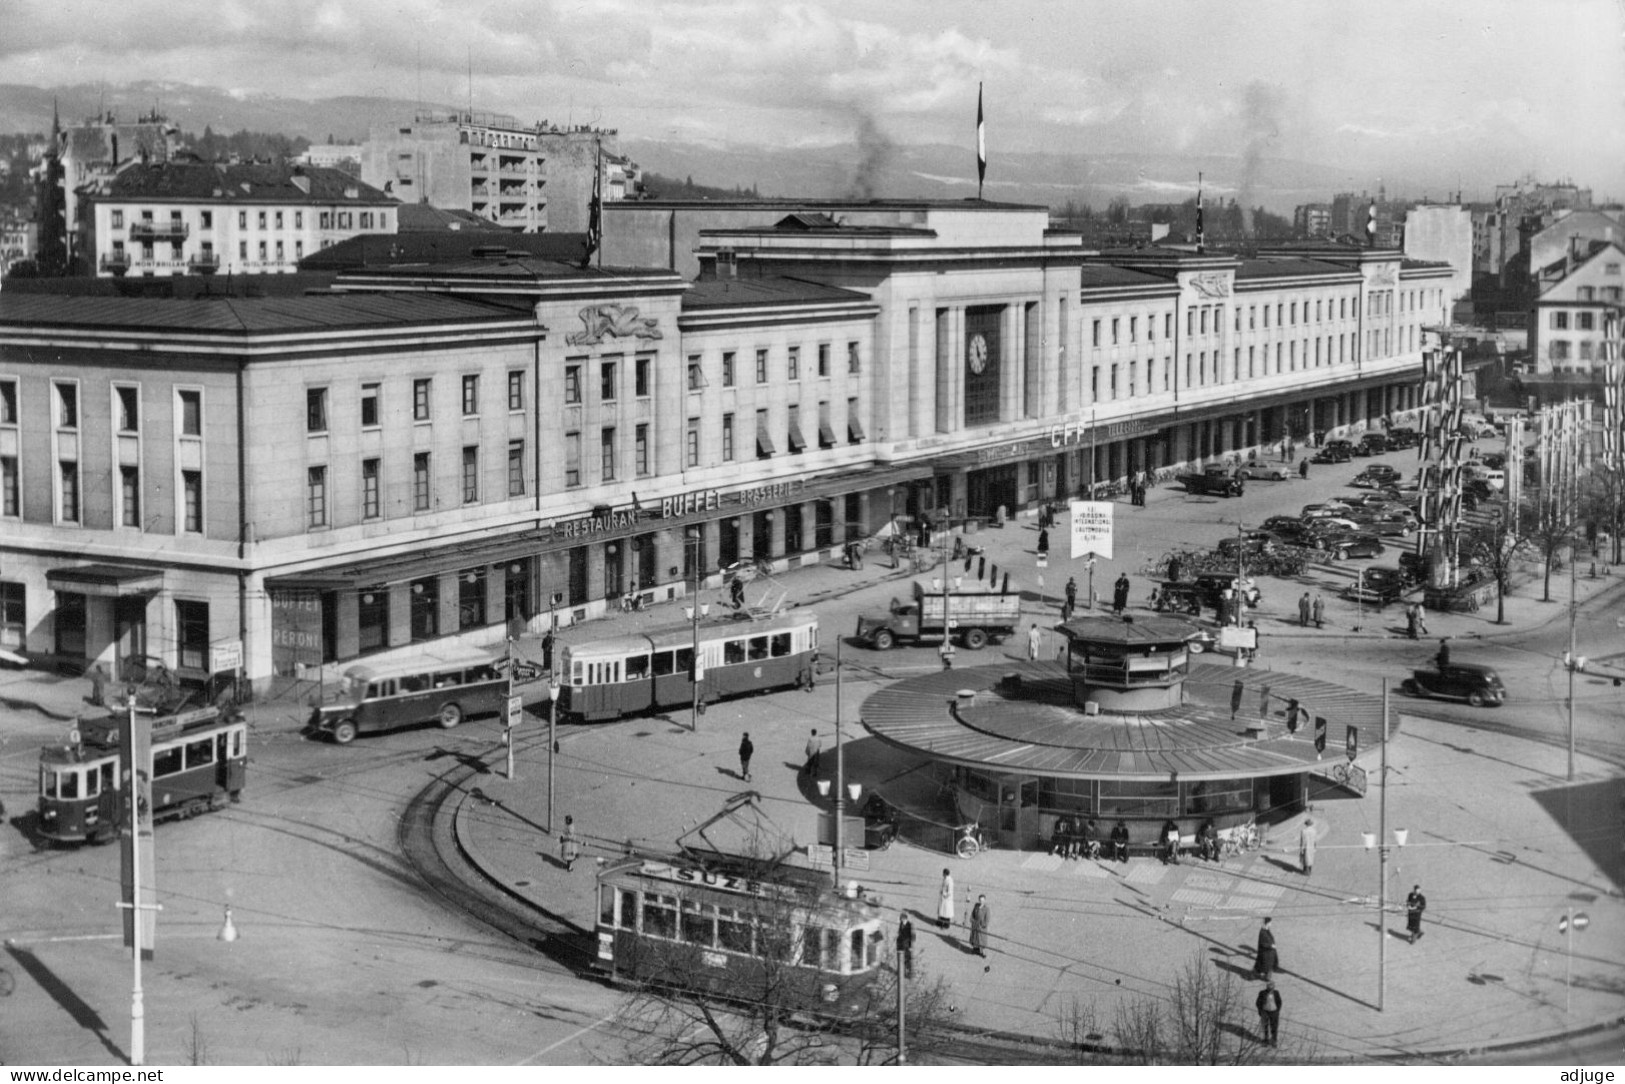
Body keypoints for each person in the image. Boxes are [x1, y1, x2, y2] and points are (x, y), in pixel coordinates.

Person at [1256, 981, 1282, 1047]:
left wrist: (1277, 1010)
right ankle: (1265, 1040)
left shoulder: (1276, 993)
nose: (1271, 990)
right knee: (1264, 1027)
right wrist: (1260, 1010)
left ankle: (1274, 1040)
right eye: (1269, 988)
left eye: (1272, 988)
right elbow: (1258, 1002)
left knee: (1274, 1027)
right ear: (1267, 987)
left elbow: (1279, 1002)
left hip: (1274, 1012)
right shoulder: (1262, 993)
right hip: (1265, 1011)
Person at [896, 913, 916, 979]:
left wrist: (911, 946)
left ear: (905, 918)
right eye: (901, 919)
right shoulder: (901, 924)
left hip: (907, 945)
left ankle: (910, 974)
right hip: (901, 944)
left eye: (902, 919)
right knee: (901, 959)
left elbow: (913, 936)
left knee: (908, 960)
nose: (901, 920)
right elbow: (900, 932)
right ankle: (902, 972)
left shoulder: (910, 925)